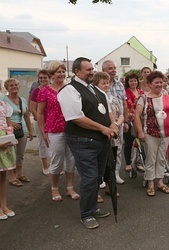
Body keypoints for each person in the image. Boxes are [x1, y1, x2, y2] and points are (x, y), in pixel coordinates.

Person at [58, 57, 118, 229]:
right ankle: (86, 214)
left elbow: (107, 111)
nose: (92, 72)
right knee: (90, 178)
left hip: (101, 141)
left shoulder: (94, 89)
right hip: (82, 141)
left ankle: (92, 208)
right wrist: (103, 128)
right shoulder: (69, 90)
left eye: (92, 69)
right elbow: (76, 118)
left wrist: (112, 124)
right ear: (77, 71)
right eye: (88, 70)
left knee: (97, 177)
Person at [37, 61, 79, 202]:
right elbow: (40, 113)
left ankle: (70, 187)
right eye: (58, 72)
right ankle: (54, 188)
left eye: (63, 71)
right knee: (56, 161)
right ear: (51, 75)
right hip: (54, 130)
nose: (61, 74)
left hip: (71, 129)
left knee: (71, 160)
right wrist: (43, 132)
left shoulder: (70, 88)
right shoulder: (45, 91)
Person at [134, 71, 169, 196]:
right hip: (150, 133)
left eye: (161, 82)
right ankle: (150, 183)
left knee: (161, 158)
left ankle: (160, 182)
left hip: (166, 133)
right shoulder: (144, 98)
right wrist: (140, 132)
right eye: (156, 82)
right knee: (150, 158)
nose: (159, 84)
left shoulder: (166, 97)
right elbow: (136, 116)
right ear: (149, 84)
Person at [92, 72, 124, 199]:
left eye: (107, 83)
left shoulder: (113, 98)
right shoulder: (94, 98)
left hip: (114, 134)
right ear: (96, 84)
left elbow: (121, 114)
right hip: (100, 133)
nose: (106, 85)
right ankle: (96, 190)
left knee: (111, 162)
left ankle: (110, 187)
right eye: (103, 83)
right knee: (98, 163)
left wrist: (116, 125)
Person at [1, 78, 34, 187]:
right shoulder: (3, 99)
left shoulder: (23, 100)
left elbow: (26, 116)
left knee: (20, 154)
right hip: (8, 131)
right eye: (11, 85)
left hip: (22, 130)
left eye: (16, 85)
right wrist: (12, 123)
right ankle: (12, 177)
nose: (14, 87)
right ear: (6, 88)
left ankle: (19, 174)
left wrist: (30, 130)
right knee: (10, 154)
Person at [102, 60, 129, 184]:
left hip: (119, 123)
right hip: (103, 124)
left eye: (114, 68)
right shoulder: (98, 84)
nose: (113, 70)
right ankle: (102, 177)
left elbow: (124, 104)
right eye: (110, 68)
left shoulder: (119, 84)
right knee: (103, 150)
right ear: (103, 71)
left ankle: (115, 174)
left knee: (118, 149)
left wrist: (125, 122)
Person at [29, 69, 50, 176]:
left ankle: (56, 166)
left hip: (52, 121)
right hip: (39, 121)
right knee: (42, 143)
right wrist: (41, 120)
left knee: (55, 143)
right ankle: (45, 166)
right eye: (40, 77)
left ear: (49, 78)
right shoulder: (35, 91)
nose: (42, 79)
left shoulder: (52, 89)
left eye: (45, 77)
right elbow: (32, 108)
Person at [123, 73, 144, 173]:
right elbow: (126, 107)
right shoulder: (125, 92)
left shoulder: (141, 92)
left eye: (135, 80)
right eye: (131, 81)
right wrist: (131, 116)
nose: (133, 82)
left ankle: (138, 162)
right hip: (130, 120)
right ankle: (128, 163)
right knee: (129, 142)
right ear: (127, 82)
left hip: (140, 120)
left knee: (139, 143)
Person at [0, 100, 17, 220]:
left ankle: (4, 205)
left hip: (4, 140)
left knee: (2, 177)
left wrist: (10, 133)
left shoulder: (3, 104)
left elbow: (8, 123)